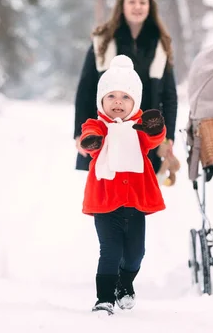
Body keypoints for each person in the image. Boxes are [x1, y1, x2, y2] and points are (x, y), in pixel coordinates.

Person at [79, 54, 166, 315]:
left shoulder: (139, 128)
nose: (118, 101)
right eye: (111, 96)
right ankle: (104, 298)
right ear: (101, 100)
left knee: (135, 253)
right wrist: (92, 142)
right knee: (110, 251)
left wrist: (154, 127)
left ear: (135, 101)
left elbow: (154, 139)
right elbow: (88, 136)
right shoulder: (97, 125)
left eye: (126, 97)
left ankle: (124, 284)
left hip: (135, 202)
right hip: (105, 202)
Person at [74, 0, 178, 178]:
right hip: (106, 131)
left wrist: (168, 136)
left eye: (142, 2)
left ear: (150, 7)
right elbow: (86, 90)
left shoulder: (160, 44)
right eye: (132, 1)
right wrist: (80, 133)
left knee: (140, 197)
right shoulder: (103, 41)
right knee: (107, 194)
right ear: (122, 5)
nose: (137, 6)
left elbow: (169, 96)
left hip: (145, 134)